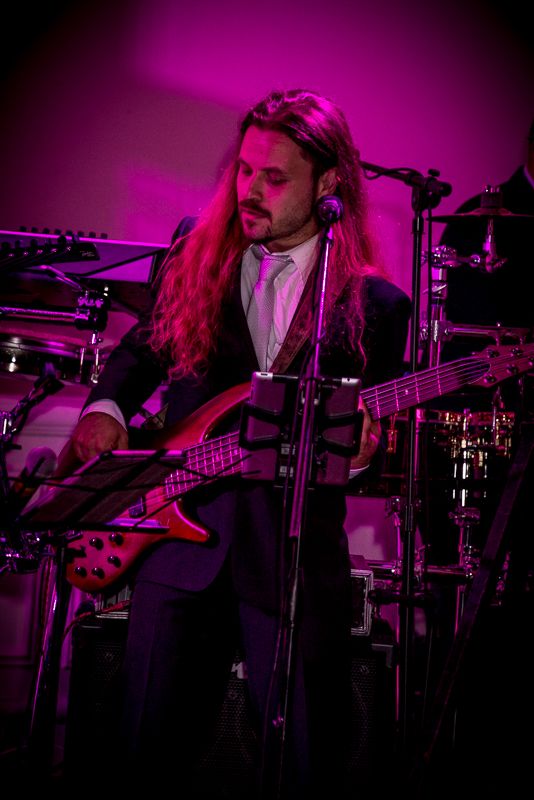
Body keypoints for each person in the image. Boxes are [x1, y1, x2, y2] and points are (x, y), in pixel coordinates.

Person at [64, 88, 411, 797]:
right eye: (245, 170)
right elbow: (142, 349)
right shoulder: (196, 250)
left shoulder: (376, 306)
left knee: (307, 762)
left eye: (274, 178)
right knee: (141, 755)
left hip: (292, 558)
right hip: (177, 545)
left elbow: (369, 446)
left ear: (329, 183)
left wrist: (364, 451)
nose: (250, 190)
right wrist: (105, 407)